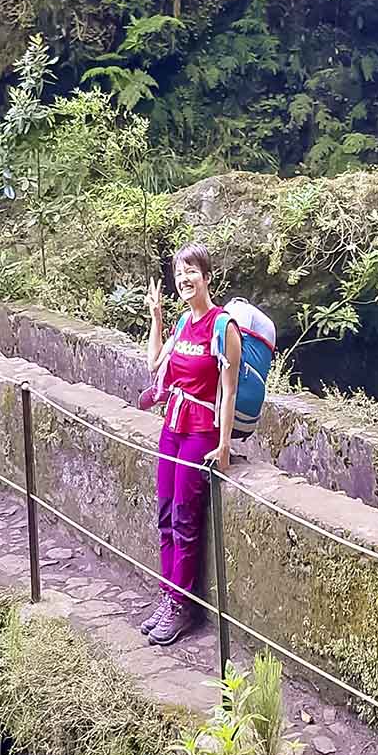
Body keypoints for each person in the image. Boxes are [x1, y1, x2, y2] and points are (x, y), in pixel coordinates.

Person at [139, 243, 242, 646]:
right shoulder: (182, 323)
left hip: (201, 431)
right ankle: (168, 596)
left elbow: (229, 391)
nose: (184, 279)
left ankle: (182, 607)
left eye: (191, 271)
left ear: (207, 277)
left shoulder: (223, 327)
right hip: (173, 425)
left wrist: (224, 446)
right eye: (179, 272)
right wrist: (157, 317)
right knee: (164, 512)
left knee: (185, 515)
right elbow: (153, 365)